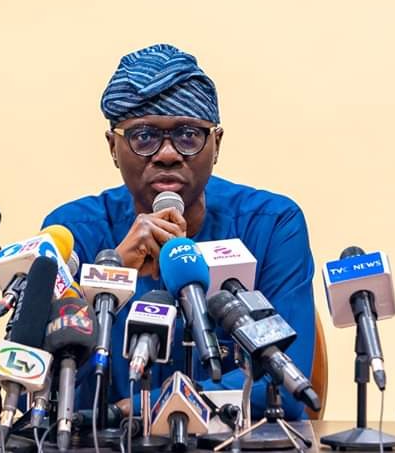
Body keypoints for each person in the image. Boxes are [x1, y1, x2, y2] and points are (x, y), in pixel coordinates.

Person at [42, 43, 316, 419]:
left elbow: (286, 387)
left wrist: (140, 409)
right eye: (143, 136)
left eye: (188, 135)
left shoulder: (270, 224)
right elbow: (41, 389)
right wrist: (111, 278)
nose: (167, 153)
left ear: (216, 144)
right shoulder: (75, 233)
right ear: (112, 146)